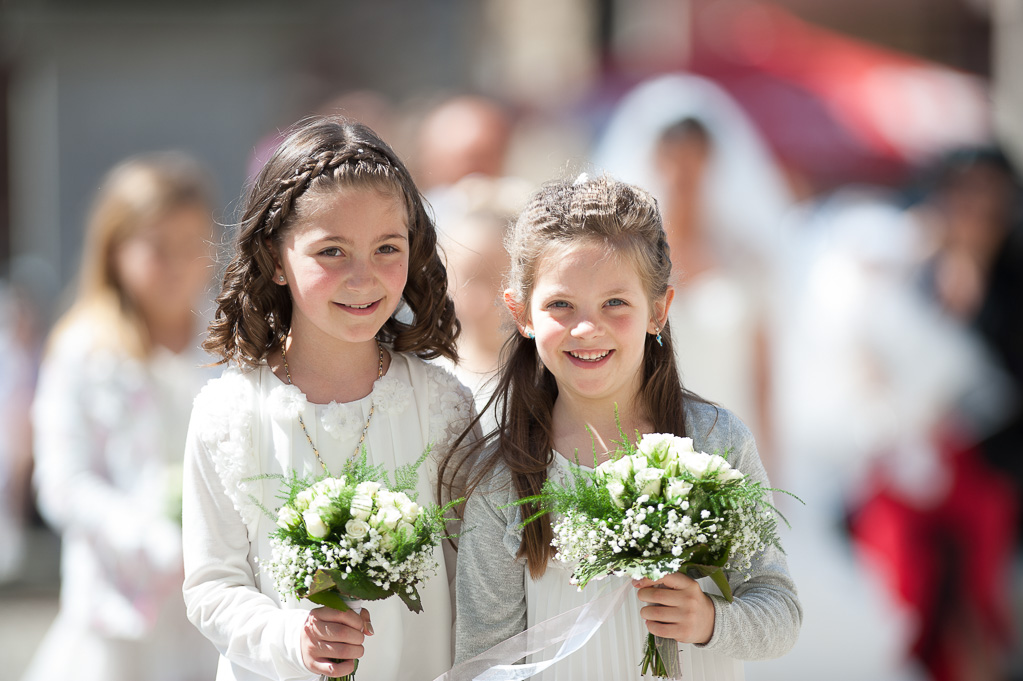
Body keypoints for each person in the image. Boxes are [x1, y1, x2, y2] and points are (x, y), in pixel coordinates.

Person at [444, 174, 801, 680]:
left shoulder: (717, 440)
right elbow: (486, 659)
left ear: (658, 310)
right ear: (520, 313)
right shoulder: (504, 469)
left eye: (615, 303)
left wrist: (710, 619)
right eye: (560, 305)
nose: (588, 329)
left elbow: (780, 610)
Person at [182, 116, 476, 681]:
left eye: (386, 248)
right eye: (332, 251)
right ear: (274, 258)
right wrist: (293, 638)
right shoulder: (229, 414)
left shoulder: (443, 407)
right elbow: (212, 584)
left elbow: (474, 572)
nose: (363, 278)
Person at [22, 152, 220, 681]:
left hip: (215, 598)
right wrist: (144, 531)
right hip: (120, 606)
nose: (177, 265)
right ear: (115, 250)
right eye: (157, 248)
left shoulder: (229, 341)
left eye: (190, 247)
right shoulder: (84, 348)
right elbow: (63, 481)